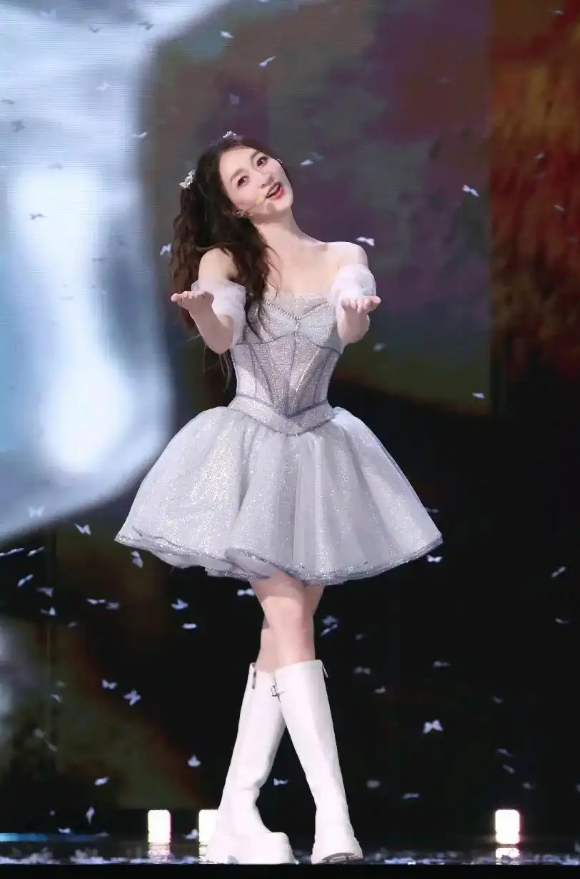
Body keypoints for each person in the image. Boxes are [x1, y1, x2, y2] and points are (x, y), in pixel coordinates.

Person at [116, 131, 442, 864]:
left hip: (322, 453)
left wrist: (354, 308)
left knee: (279, 637)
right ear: (231, 205)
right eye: (241, 178)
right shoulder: (225, 261)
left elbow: (351, 317)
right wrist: (204, 311)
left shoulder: (341, 254)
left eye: (261, 162)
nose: (263, 176)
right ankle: (335, 821)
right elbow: (224, 330)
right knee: (289, 618)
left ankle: (235, 813)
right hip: (254, 449)